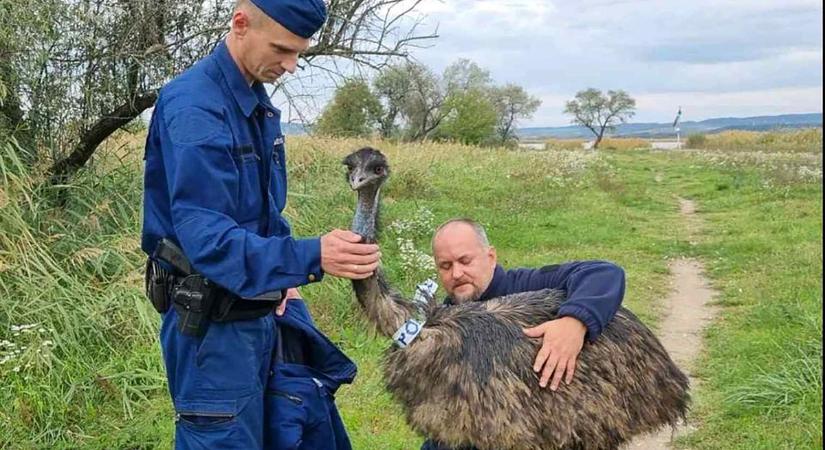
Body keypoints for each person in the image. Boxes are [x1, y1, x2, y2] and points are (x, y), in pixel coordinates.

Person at [140, 0, 380, 448]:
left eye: (298, 54)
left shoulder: (255, 103)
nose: (290, 66)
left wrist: (287, 276)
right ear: (240, 23)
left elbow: (264, 214)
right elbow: (208, 240)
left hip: (261, 314)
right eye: (282, 50)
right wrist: (312, 255)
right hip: (212, 333)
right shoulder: (195, 107)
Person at [421, 218, 626, 450]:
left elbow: (604, 273)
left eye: (465, 261)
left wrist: (574, 322)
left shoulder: (528, 286)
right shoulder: (441, 326)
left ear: (491, 257)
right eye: (445, 266)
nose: (456, 273)